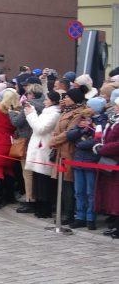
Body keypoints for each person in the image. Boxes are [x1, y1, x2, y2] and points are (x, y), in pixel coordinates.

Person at [49, 88, 92, 225]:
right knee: (62, 183)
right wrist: (54, 138)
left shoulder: (79, 113)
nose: (64, 99)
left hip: (69, 150)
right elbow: (58, 129)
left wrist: (54, 140)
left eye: (67, 97)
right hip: (61, 150)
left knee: (68, 184)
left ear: (74, 98)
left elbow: (70, 132)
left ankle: (69, 214)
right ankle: (62, 212)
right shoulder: (67, 111)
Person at [66, 97, 107, 229]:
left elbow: (99, 140)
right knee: (79, 191)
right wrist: (80, 129)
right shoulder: (81, 119)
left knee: (91, 192)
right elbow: (70, 135)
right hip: (78, 161)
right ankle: (80, 217)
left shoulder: (102, 122)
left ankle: (90, 218)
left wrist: (81, 144)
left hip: (91, 160)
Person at [25, 91, 62, 218]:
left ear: (52, 101)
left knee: (44, 181)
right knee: (37, 180)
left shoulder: (55, 114)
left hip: (44, 150)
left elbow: (40, 129)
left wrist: (31, 114)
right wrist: (32, 112)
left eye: (46, 99)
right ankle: (39, 205)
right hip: (38, 150)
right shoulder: (47, 112)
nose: (44, 101)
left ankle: (45, 208)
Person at [10, 84, 46, 213]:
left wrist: (11, 113)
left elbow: (17, 122)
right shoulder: (45, 104)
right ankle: (38, 199)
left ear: (31, 94)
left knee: (27, 173)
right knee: (38, 173)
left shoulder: (29, 105)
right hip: (40, 142)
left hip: (26, 140)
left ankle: (30, 200)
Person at [94, 95, 119, 238]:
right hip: (110, 162)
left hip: (115, 161)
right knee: (113, 197)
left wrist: (102, 149)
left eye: (116, 105)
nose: (114, 107)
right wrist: (98, 144)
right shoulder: (113, 120)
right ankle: (115, 225)